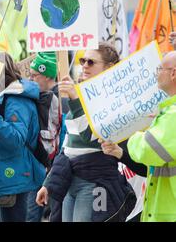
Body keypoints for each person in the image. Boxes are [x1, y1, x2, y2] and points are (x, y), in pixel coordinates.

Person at [36, 42, 136, 222]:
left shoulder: (113, 100)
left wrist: (75, 100)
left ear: (109, 67)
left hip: (94, 181)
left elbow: (91, 137)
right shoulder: (80, 94)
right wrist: (49, 183)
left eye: (91, 62)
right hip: (69, 179)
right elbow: (67, 147)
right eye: (83, 60)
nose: (84, 65)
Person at [0, 52, 45, 222]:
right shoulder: (1, 95)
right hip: (4, 174)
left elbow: (16, 139)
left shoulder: (16, 99)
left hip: (14, 174)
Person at [125, 51, 176, 222]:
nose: (156, 73)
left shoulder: (173, 113)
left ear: (173, 73)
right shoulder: (170, 112)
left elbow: (148, 150)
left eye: (159, 68)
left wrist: (133, 136)